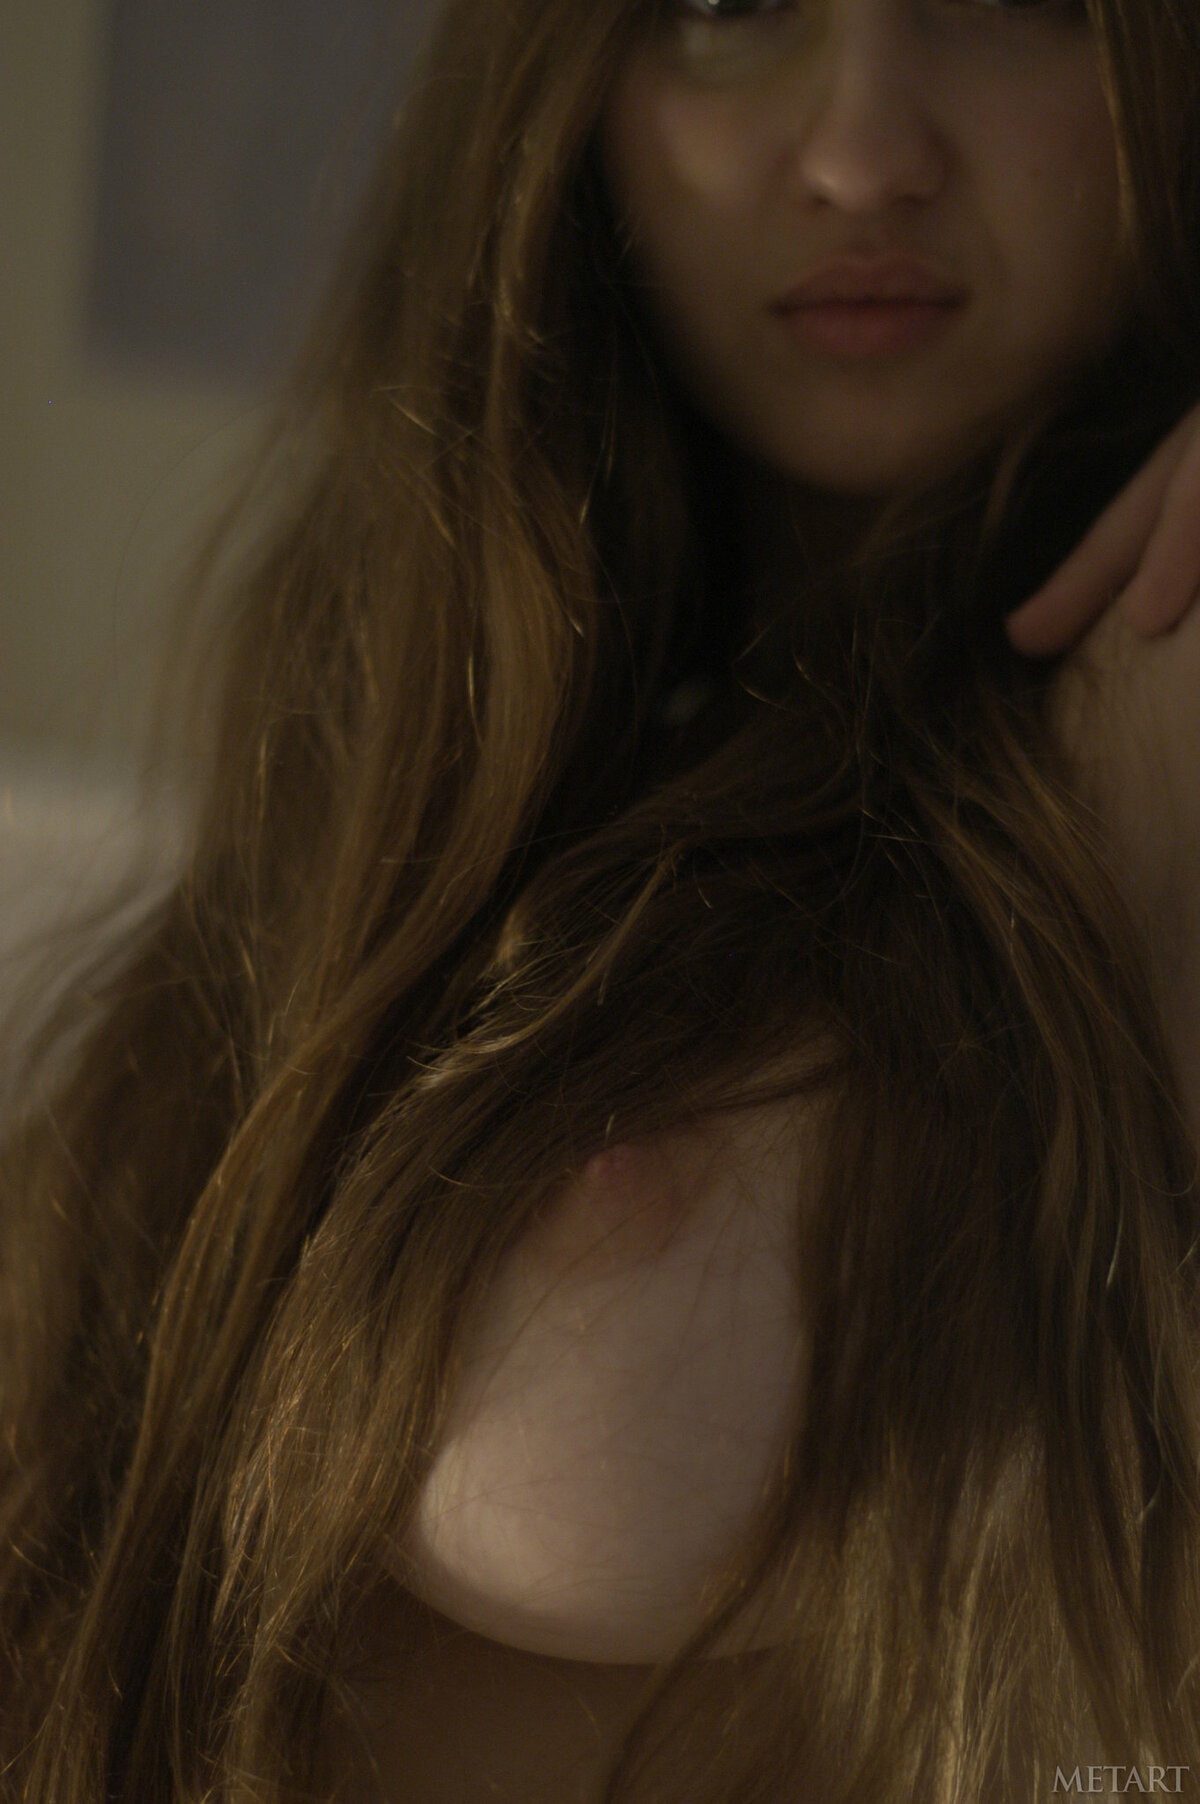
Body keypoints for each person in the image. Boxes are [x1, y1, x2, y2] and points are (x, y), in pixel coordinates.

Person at [4, 0, 1200, 1798]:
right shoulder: (428, 736)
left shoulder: (1157, 695)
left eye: (1010, 0)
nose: (862, 157)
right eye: (725, 7)